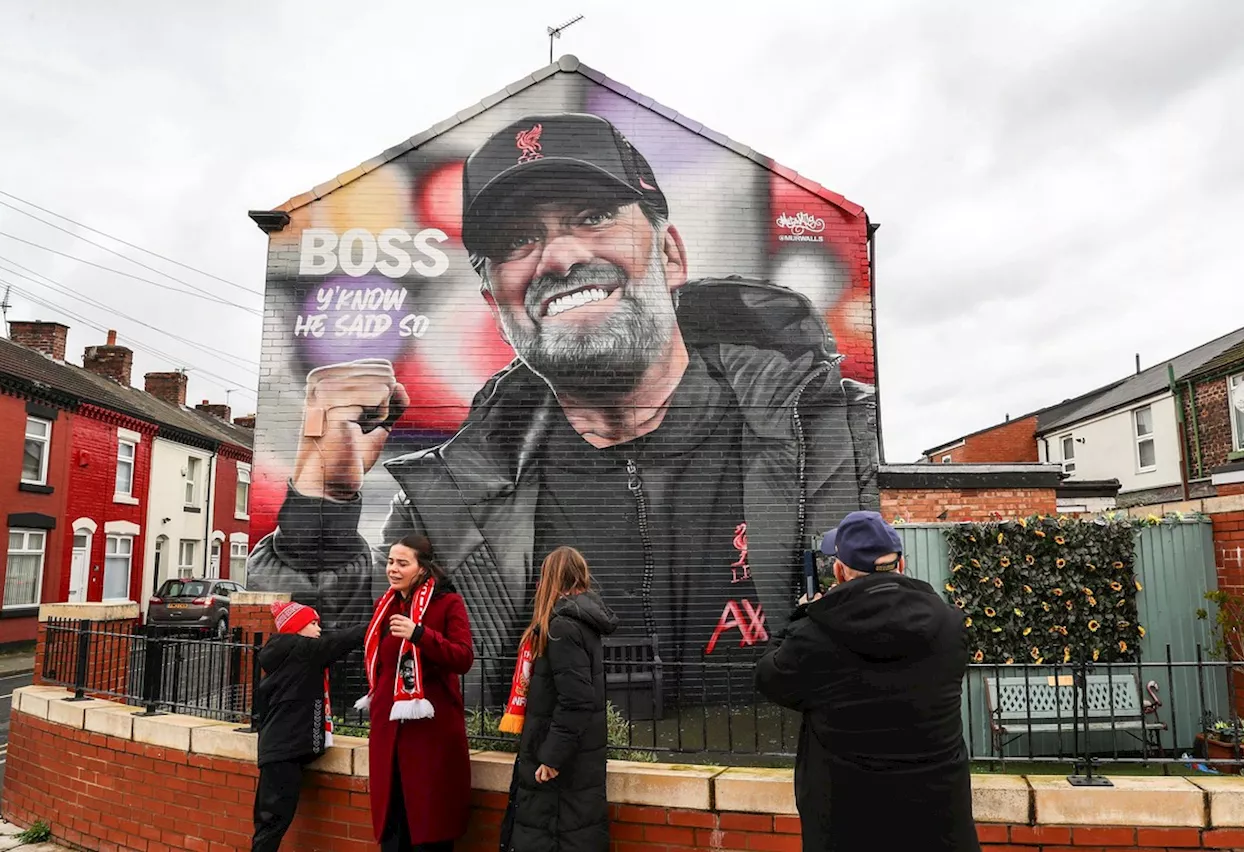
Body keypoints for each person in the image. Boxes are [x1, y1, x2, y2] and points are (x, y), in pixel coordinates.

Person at [247, 111, 880, 678]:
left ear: (670, 253)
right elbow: (339, 655)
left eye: (594, 216)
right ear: (497, 303)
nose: (558, 257)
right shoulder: (450, 500)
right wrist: (321, 507)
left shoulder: (827, 435)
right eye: (518, 241)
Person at [754, 511, 980, 852]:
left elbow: (770, 679)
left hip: (847, 826)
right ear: (901, 565)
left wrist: (800, 616)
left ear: (840, 571)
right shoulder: (950, 625)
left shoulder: (813, 635)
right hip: (939, 824)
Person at [357, 534, 475, 851]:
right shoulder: (386, 605)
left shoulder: (448, 603)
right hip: (389, 735)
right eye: (390, 562)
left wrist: (420, 634)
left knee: (427, 827)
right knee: (393, 830)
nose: (392, 569)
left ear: (422, 568)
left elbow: (463, 657)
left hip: (430, 737)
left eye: (402, 563)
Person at [498, 546, 618, 852]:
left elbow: (576, 700)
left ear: (549, 579)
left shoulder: (562, 628)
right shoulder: (580, 622)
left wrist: (551, 757)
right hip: (576, 761)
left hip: (558, 769)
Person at [252, 600, 364, 852]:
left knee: (267, 823)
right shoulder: (304, 651)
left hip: (274, 749)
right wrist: (380, 622)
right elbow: (343, 641)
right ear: (297, 627)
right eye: (312, 623)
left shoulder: (281, 656)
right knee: (272, 824)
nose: (318, 629)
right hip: (285, 752)